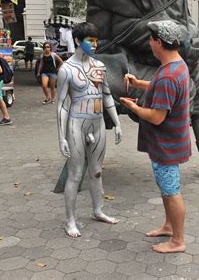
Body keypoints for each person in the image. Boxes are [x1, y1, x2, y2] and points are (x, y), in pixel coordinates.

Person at [121, 20, 190, 253]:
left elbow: (157, 117)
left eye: (151, 39)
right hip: (169, 142)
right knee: (166, 187)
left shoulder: (168, 75)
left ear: (159, 42)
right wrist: (139, 83)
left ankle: (178, 241)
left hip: (166, 145)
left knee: (171, 192)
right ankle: (170, 226)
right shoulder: (175, 65)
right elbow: (160, 87)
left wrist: (133, 108)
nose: (149, 43)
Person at [56, 22, 122, 238]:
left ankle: (98, 211)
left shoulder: (99, 66)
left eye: (96, 41)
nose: (94, 45)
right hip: (76, 123)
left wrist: (117, 123)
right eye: (89, 41)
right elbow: (63, 104)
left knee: (97, 171)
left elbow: (107, 95)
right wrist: (61, 136)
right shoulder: (67, 69)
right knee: (75, 174)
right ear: (77, 41)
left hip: (97, 123)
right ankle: (70, 220)